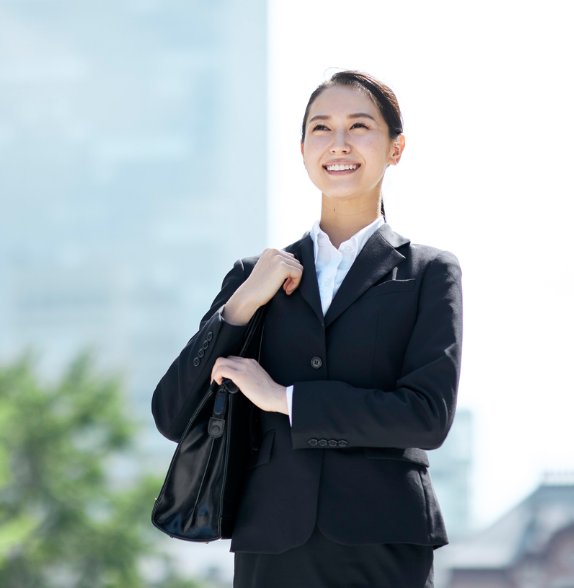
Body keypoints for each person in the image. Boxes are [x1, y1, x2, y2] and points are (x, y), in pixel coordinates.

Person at [151, 70, 462, 588]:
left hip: (384, 543)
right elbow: (172, 413)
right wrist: (244, 302)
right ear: (302, 150)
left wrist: (285, 399)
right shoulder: (255, 278)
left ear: (396, 148)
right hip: (272, 542)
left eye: (359, 126)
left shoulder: (428, 272)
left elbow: (427, 417)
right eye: (321, 128)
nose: (338, 143)